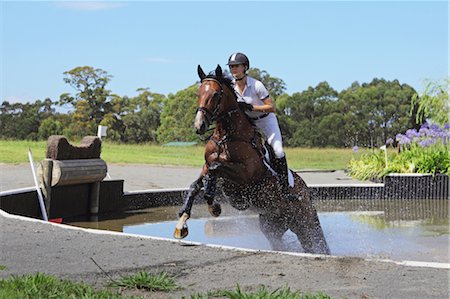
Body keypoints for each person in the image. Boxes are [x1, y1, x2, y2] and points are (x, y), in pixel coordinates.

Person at [227, 52, 293, 197]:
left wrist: (252, 108)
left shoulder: (257, 85)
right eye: (231, 67)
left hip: (265, 119)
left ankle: (285, 188)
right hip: (248, 123)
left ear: (245, 67)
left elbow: (271, 107)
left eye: (237, 66)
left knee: (278, 151)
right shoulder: (231, 86)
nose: (234, 70)